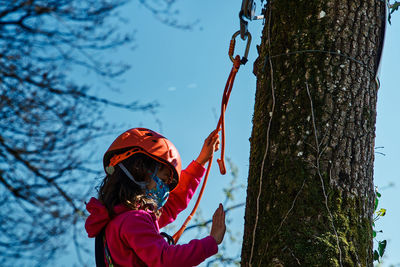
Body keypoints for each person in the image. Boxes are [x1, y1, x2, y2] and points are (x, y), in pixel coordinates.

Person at [85, 127, 226, 266]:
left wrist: (200, 162)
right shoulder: (133, 220)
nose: (164, 189)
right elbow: (166, 259)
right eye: (163, 180)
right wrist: (211, 242)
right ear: (138, 169)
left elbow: (172, 204)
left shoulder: (116, 221)